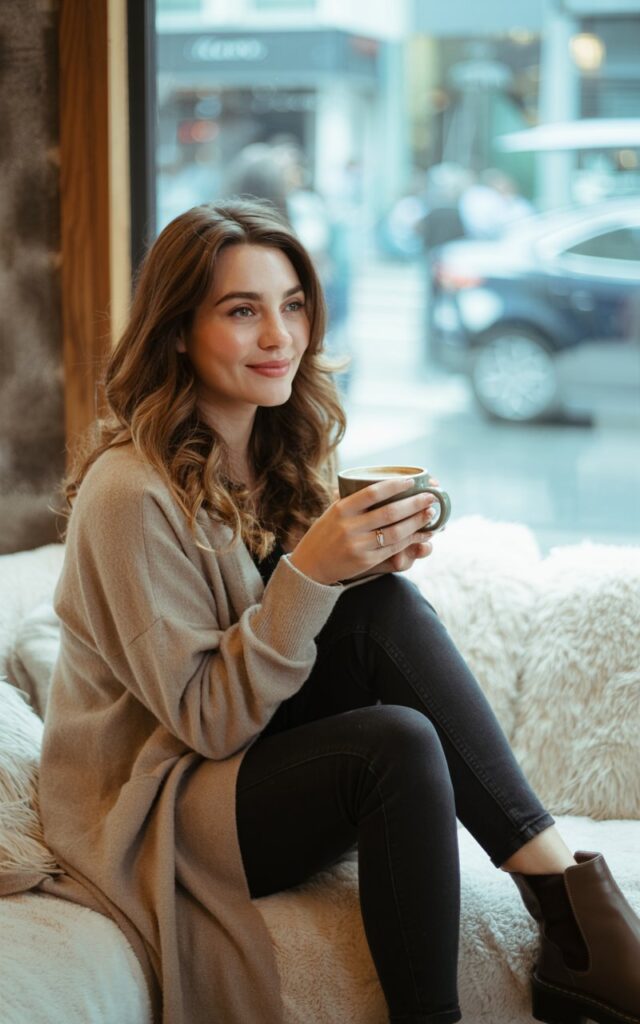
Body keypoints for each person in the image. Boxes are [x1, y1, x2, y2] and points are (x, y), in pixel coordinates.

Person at [36, 200, 640, 1024]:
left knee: (382, 605)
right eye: (242, 311)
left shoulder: (276, 447)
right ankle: (549, 951)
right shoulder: (128, 496)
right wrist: (312, 574)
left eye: (291, 305)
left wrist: (354, 571)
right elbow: (208, 722)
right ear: (177, 331)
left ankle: (571, 913)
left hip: (240, 762)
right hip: (158, 806)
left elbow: (302, 637)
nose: (279, 336)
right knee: (394, 742)